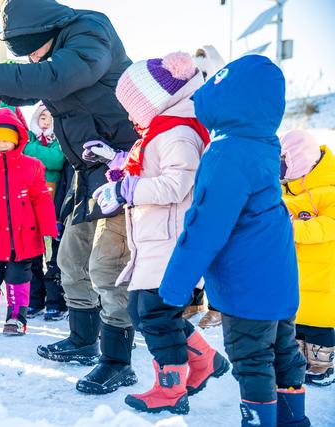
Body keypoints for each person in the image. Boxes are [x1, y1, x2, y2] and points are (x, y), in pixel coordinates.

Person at [0, 0, 139, 392]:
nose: (31, 58)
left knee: (109, 267)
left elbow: (54, 78)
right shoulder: (54, 53)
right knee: (70, 259)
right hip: (86, 170)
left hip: (121, 169)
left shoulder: (91, 33)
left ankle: (117, 360)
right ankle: (83, 339)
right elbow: (28, 89)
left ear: (47, 32)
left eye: (32, 49)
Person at [157, 55, 310, 427]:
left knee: (252, 358)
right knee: (282, 352)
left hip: (247, 284)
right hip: (279, 280)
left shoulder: (226, 152)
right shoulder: (262, 142)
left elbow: (207, 225)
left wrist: (175, 285)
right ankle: (293, 421)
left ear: (228, 97)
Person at [91, 51, 229, 413]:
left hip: (170, 240)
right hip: (155, 239)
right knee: (146, 311)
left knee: (152, 314)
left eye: (131, 107)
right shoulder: (163, 130)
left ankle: (170, 390)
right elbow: (151, 168)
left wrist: (127, 190)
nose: (129, 115)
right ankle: (204, 361)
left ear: (152, 102)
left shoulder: (178, 132)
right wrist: (117, 164)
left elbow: (175, 184)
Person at [0, 108, 57, 335]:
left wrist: (48, 226)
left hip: (23, 237)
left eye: (7, 140)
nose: (2, 144)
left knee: (18, 279)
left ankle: (16, 318)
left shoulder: (32, 166)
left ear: (17, 139)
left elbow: (40, 199)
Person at [281, 129, 335, 387]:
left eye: (285, 161)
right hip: (295, 270)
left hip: (323, 272)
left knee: (319, 326)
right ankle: (299, 361)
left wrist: (295, 228)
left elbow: (330, 224)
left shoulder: (329, 190)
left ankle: (323, 366)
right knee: (296, 323)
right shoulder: (286, 193)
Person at [181, 45, 227, 328]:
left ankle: (219, 305)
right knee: (190, 236)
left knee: (218, 241)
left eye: (206, 71)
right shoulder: (186, 103)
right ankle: (192, 297)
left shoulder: (225, 105)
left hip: (218, 177)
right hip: (190, 177)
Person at [24, 103, 67, 320]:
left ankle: (55, 302)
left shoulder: (60, 141)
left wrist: (36, 155)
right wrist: (42, 156)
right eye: (42, 117)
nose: (46, 121)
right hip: (30, 208)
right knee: (32, 257)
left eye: (50, 116)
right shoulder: (29, 139)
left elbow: (57, 160)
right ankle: (34, 300)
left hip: (53, 207)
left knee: (54, 259)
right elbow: (26, 158)